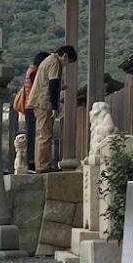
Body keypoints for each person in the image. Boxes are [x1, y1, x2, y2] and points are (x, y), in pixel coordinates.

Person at [31, 43, 76, 171]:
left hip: (39, 100)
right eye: (68, 62)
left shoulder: (48, 60)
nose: (66, 65)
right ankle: (43, 165)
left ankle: (42, 164)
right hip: (44, 102)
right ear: (65, 56)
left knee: (42, 134)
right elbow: (53, 84)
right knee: (45, 135)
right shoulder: (55, 62)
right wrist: (55, 106)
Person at [14, 51, 46, 173]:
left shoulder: (30, 70)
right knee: (33, 136)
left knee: (32, 134)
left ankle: (31, 162)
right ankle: (32, 163)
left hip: (29, 107)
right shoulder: (34, 73)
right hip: (32, 107)